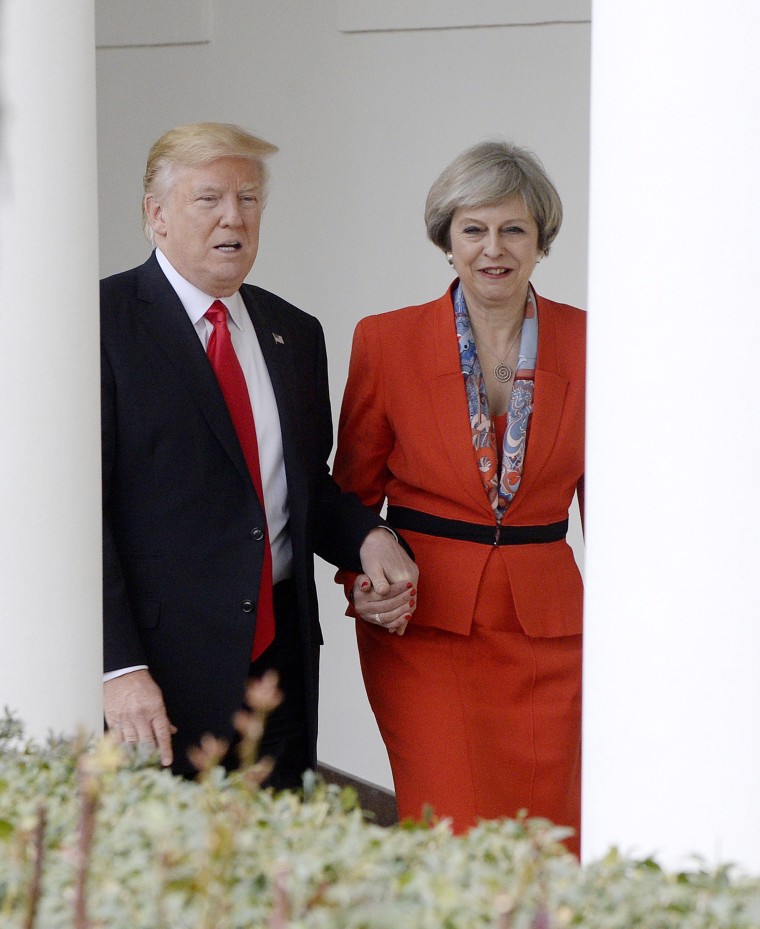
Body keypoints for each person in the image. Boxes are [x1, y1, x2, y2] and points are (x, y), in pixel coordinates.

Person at [101, 122, 417, 787]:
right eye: (209, 198)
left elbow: (304, 487)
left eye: (248, 200)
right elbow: (76, 519)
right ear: (155, 216)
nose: (233, 217)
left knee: (271, 872)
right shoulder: (100, 324)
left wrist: (369, 536)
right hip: (158, 683)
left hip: (280, 668)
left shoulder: (293, 333)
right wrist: (119, 668)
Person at [333, 140, 585, 854]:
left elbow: (618, 513)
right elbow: (348, 496)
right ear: (447, 238)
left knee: (549, 839)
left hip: (551, 636)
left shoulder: (594, 341)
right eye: (473, 229)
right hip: (424, 628)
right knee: (447, 828)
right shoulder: (385, 341)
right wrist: (364, 581)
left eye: (513, 229)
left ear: (541, 240)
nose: (492, 249)